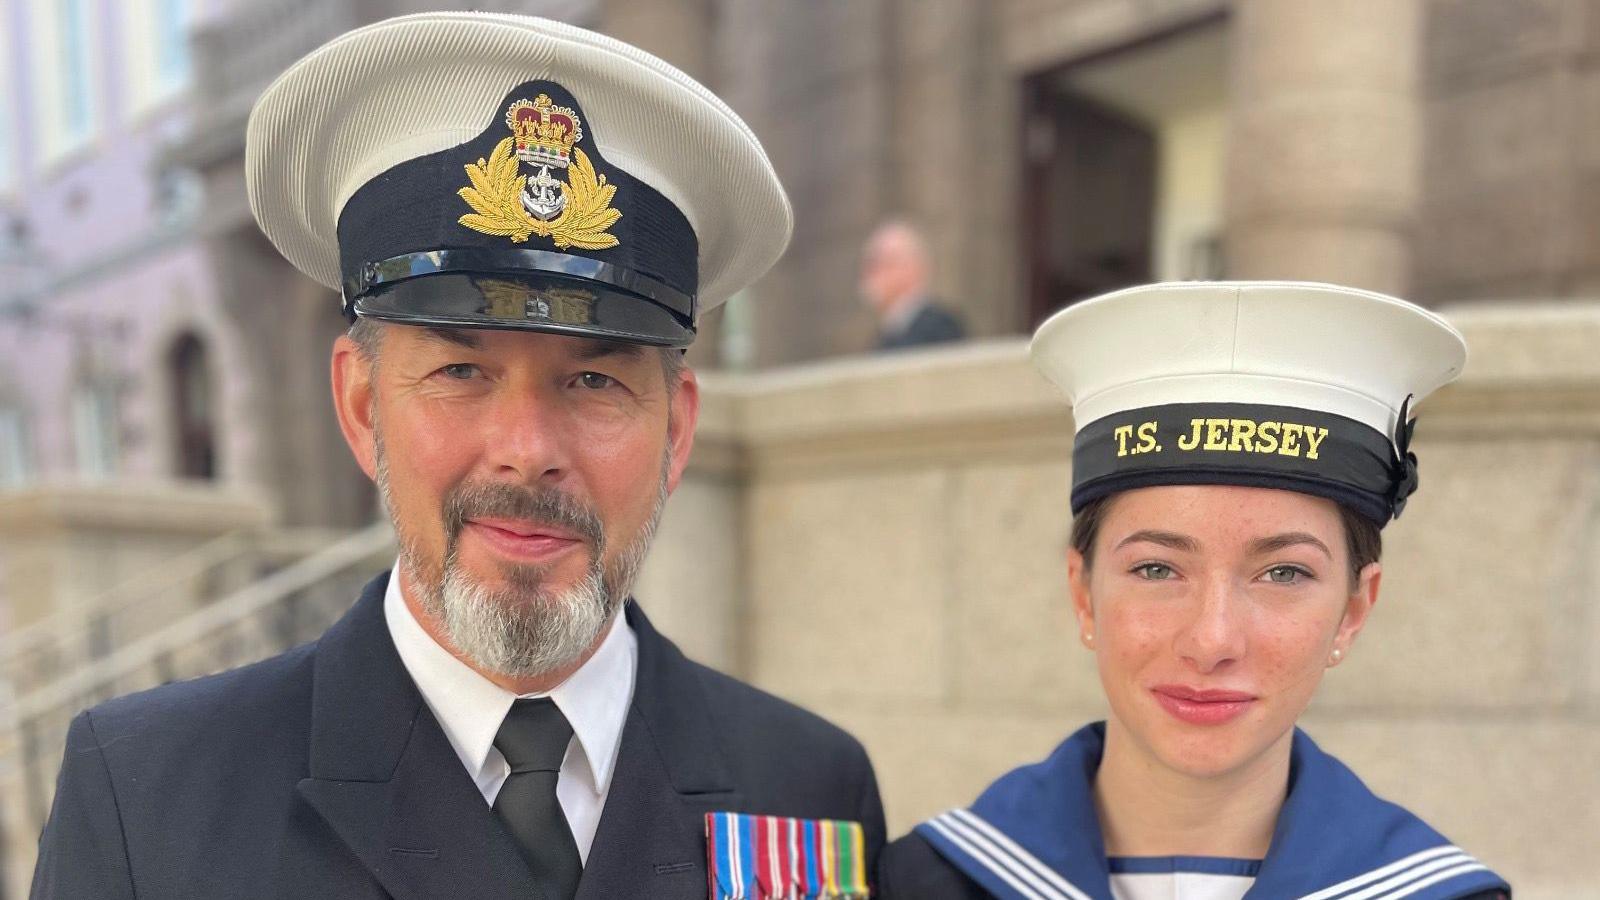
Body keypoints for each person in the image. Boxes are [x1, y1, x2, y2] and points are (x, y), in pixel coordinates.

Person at [31, 13, 883, 900]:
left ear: (676, 432)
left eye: (594, 382)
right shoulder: (148, 802)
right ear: (362, 407)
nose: (526, 453)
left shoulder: (813, 792)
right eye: (461, 369)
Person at [878, 281, 1511, 900]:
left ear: (1351, 611)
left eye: (1284, 573)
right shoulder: (927, 883)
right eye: (1157, 569)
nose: (1212, 641)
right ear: (1082, 593)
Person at [860, 220, 966, 351]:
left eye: (882, 261)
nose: (871, 272)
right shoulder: (887, 334)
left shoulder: (939, 328)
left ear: (913, 268)